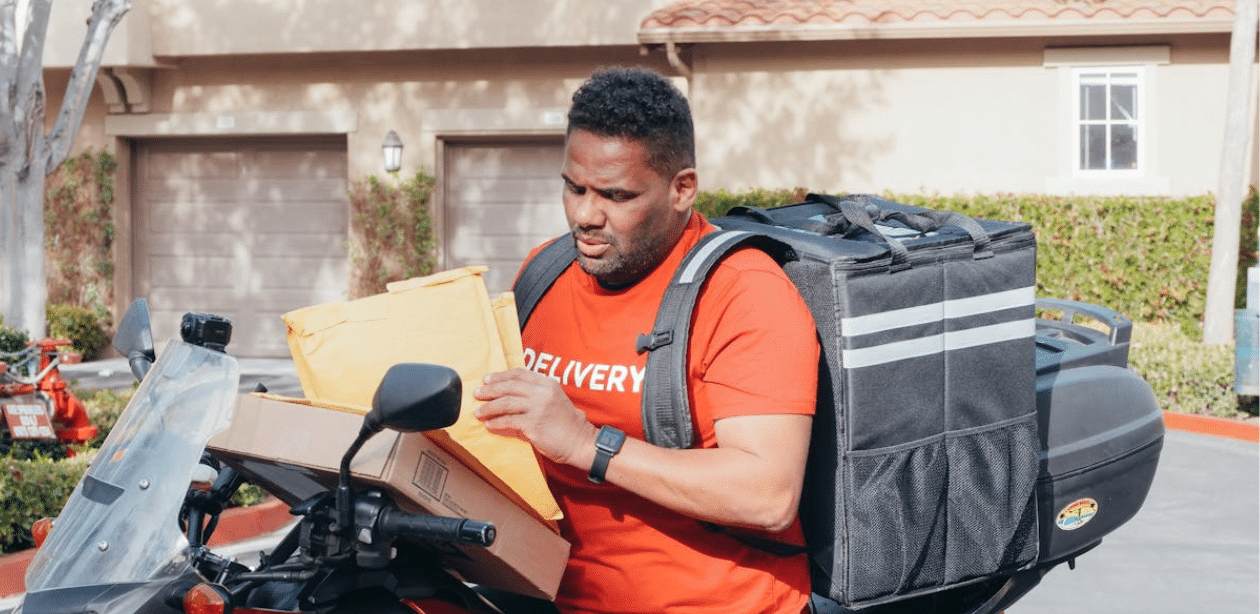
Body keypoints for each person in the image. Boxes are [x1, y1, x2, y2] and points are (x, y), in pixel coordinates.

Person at [473, 67, 820, 614]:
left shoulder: (745, 293)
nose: (586, 215)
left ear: (682, 189)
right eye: (574, 186)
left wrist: (586, 444)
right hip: (544, 594)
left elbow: (768, 494)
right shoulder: (545, 271)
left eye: (616, 195)